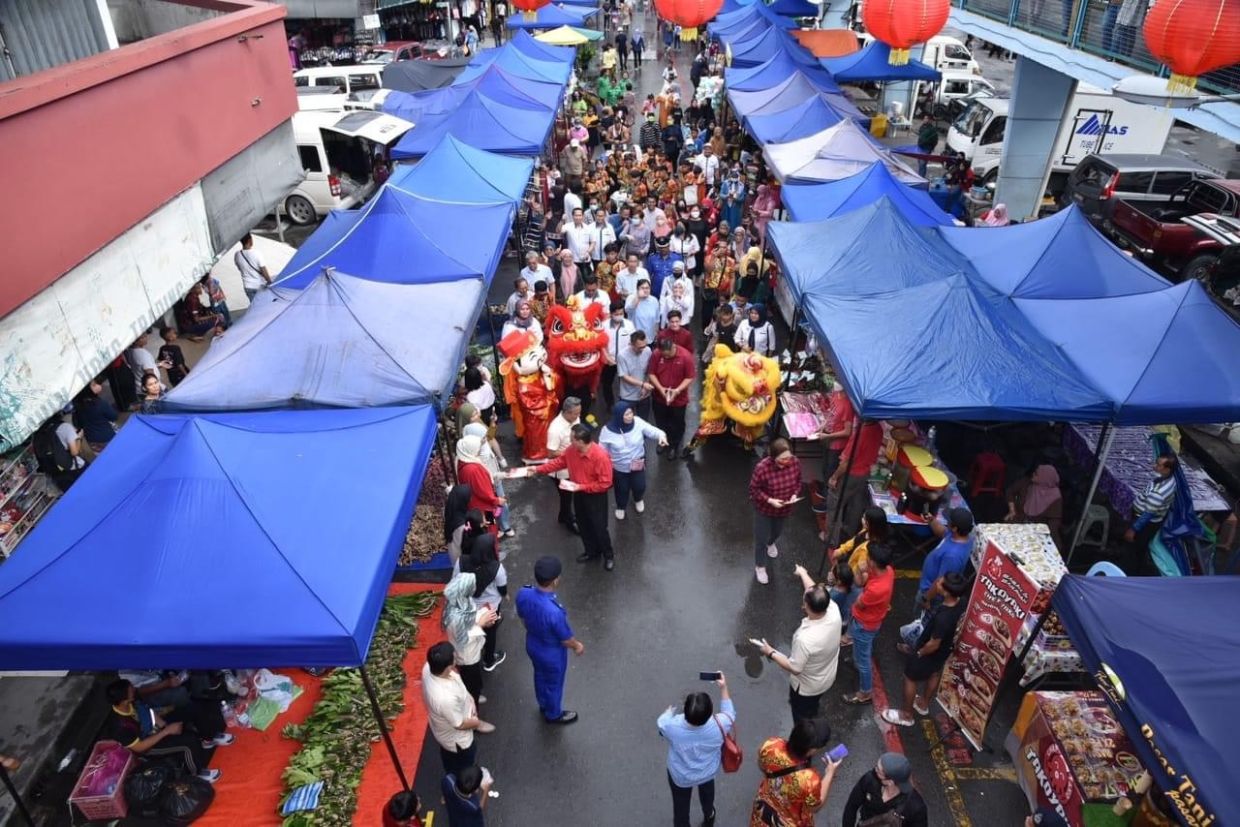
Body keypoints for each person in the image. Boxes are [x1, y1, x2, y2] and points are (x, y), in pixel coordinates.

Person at [754, 565, 842, 723]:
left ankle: (802, 733)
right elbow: (813, 590)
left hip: (807, 688)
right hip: (827, 677)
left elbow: (795, 668)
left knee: (801, 716)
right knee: (813, 706)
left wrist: (771, 652)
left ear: (806, 606)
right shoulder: (833, 609)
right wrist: (803, 573)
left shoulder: (805, 639)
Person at [102, 678, 231, 783]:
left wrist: (163, 724)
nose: (134, 690)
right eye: (131, 690)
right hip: (148, 745)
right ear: (125, 701)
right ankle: (197, 774)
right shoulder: (119, 726)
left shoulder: (133, 697)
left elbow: (147, 709)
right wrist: (167, 731)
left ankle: (207, 738)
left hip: (156, 727)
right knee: (188, 743)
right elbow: (140, 747)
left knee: (192, 709)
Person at [883, 572, 968, 728]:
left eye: (941, 583)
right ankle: (923, 704)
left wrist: (919, 652)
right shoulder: (961, 602)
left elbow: (933, 643)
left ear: (947, 592)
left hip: (929, 650)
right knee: (934, 673)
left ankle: (906, 715)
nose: (938, 581)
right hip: (944, 650)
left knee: (910, 677)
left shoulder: (943, 617)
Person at [533, 425, 617, 570]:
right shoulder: (572, 450)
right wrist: (537, 469)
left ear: (581, 442)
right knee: (583, 524)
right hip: (578, 493)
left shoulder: (601, 457)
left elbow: (605, 483)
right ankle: (591, 551)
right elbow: (559, 462)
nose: (570, 441)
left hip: (596, 497)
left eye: (572, 439)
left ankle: (608, 555)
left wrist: (581, 487)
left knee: (599, 527)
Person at [657, 672, 734, 827]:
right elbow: (729, 713)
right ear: (710, 712)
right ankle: (709, 815)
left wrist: (668, 712)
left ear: (685, 712)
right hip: (707, 772)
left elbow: (661, 723)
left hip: (681, 777)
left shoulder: (672, 727)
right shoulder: (721, 724)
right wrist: (723, 687)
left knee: (680, 808)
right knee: (707, 795)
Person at [515, 556, 585, 724]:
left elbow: (522, 618)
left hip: (532, 644)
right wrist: (577, 646)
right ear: (555, 581)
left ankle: (543, 703)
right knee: (554, 683)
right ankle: (553, 714)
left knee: (539, 675)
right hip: (551, 653)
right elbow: (565, 639)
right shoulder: (554, 612)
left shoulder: (523, 593)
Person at [750, 718, 844, 827]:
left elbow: (761, 765)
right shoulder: (809, 779)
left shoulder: (772, 745)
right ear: (812, 749)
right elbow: (815, 807)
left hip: (762, 811)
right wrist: (829, 773)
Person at [422, 641, 495, 775]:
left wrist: (470, 698)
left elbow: (456, 678)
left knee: (450, 759)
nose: (457, 657)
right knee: (463, 764)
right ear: (447, 668)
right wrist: (476, 722)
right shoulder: (444, 699)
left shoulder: (429, 667)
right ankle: (462, 781)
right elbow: (459, 724)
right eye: (454, 658)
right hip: (458, 741)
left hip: (448, 724)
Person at [843, 542, 895, 705]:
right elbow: (860, 583)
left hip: (864, 624)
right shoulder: (888, 571)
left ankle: (865, 692)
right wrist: (861, 570)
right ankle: (856, 660)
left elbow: (859, 602)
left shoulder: (876, 589)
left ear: (872, 562)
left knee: (864, 661)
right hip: (867, 621)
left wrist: (861, 572)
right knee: (861, 650)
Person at [599, 401, 668, 520]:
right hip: (619, 468)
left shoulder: (638, 422)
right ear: (618, 416)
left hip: (637, 464)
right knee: (621, 489)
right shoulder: (607, 431)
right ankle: (621, 506)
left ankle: (638, 499)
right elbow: (601, 451)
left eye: (631, 412)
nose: (630, 416)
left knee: (640, 486)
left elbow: (653, 431)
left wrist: (661, 436)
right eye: (626, 414)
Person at [829, 507, 890, 641]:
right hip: (851, 573)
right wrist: (841, 550)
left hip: (856, 580)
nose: (861, 519)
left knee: (850, 606)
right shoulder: (865, 532)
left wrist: (850, 574)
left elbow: (860, 581)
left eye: (864, 518)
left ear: (869, 524)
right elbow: (853, 542)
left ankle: (846, 632)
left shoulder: (870, 549)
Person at [749, 438, 804, 584]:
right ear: (773, 457)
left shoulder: (795, 462)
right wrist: (770, 500)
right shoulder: (762, 468)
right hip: (764, 509)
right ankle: (760, 566)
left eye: (788, 458)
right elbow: (754, 490)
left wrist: (794, 494)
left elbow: (798, 482)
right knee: (761, 539)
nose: (787, 461)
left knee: (777, 532)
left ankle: (771, 543)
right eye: (783, 459)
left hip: (784, 508)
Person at [443, 571, 500, 705]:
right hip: (467, 657)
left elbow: (470, 618)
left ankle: (475, 693)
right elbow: (464, 638)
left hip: (472, 650)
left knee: (474, 679)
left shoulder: (460, 601)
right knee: (472, 681)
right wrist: (481, 623)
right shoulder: (454, 617)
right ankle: (473, 700)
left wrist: (486, 615)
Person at [827, 419, 885, 538]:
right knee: (856, 503)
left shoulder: (860, 434)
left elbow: (846, 462)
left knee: (835, 504)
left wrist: (834, 477)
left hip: (851, 474)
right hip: (866, 473)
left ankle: (831, 538)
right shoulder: (878, 428)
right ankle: (850, 531)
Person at [912, 507, 974, 617]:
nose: (946, 522)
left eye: (949, 521)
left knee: (920, 619)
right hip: (929, 587)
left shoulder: (953, 556)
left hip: (931, 593)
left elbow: (941, 581)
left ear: (955, 528)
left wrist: (926, 598)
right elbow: (943, 532)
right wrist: (932, 520)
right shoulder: (962, 537)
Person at [841, 753, 929, 827]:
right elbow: (851, 806)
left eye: (879, 770)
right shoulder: (869, 780)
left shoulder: (916, 807)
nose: (875, 769)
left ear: (890, 781)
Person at [647, 337, 696, 460]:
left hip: (678, 399)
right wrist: (660, 388)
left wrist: (677, 390)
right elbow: (651, 373)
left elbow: (689, 377)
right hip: (659, 397)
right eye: (664, 355)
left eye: (668, 355)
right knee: (661, 421)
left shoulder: (685, 357)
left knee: (677, 424)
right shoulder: (656, 354)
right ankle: (662, 441)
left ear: (674, 347)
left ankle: (674, 445)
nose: (666, 357)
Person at [1123, 453, 1178, 557]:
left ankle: (1129, 565)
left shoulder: (1158, 493)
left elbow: (1147, 514)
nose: (1154, 466)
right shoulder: (1170, 478)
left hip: (1144, 524)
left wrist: (1133, 529)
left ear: (1167, 470)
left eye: (1158, 465)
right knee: (1139, 548)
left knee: (1134, 550)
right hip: (1152, 519)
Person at [547, 397, 583, 532]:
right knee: (567, 497)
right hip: (561, 472)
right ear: (567, 412)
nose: (578, 416)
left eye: (579, 412)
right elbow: (551, 453)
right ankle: (570, 522)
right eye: (576, 413)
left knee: (566, 496)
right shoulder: (555, 429)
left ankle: (562, 517)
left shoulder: (575, 419)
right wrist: (571, 453)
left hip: (573, 466)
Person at [1007, 464, 1064, 547]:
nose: (1033, 474)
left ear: (1045, 478)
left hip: (1037, 532)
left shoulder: (1055, 497)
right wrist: (1012, 510)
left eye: (1036, 473)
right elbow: (1010, 492)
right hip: (1019, 521)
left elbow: (1053, 524)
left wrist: (1035, 534)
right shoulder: (1026, 483)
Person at [817, 381, 854, 488]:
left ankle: (827, 493)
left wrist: (828, 436)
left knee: (830, 469)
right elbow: (831, 413)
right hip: (827, 438)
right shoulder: (835, 394)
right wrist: (822, 426)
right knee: (824, 466)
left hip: (836, 445)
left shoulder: (847, 405)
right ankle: (823, 487)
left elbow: (847, 431)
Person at [601, 301, 634, 410]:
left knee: (625, 384)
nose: (619, 316)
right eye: (616, 314)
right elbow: (601, 344)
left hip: (625, 360)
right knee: (607, 383)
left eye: (621, 313)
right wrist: (607, 357)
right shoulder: (604, 326)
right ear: (611, 314)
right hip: (609, 360)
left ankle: (624, 405)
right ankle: (610, 404)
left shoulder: (629, 325)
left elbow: (632, 342)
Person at [617, 329, 655, 421]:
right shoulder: (622, 355)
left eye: (644, 346)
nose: (643, 349)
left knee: (644, 421)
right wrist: (642, 384)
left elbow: (648, 370)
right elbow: (624, 376)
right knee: (626, 421)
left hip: (644, 395)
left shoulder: (647, 350)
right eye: (639, 347)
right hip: (627, 396)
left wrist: (645, 386)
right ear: (631, 344)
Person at [74, 379, 118, 453]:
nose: (98, 386)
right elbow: (114, 416)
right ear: (87, 390)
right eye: (94, 385)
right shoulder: (100, 403)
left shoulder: (77, 407)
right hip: (107, 437)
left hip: (92, 441)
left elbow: (79, 424)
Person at [443, 485, 476, 565]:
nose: (470, 499)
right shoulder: (463, 526)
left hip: (454, 553)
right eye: (469, 497)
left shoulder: (450, 509)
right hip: (463, 561)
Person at [235, 232, 271, 301]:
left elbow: (240, 268)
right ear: (250, 240)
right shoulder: (257, 253)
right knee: (264, 305)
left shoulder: (237, 254)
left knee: (255, 306)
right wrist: (269, 282)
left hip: (247, 286)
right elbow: (264, 270)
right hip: (259, 286)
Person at [626, 279, 662, 345]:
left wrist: (656, 333)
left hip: (650, 337)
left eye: (647, 288)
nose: (645, 290)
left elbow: (657, 319)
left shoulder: (654, 300)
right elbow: (628, 310)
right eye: (642, 288)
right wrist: (638, 298)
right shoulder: (631, 298)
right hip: (635, 338)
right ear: (637, 289)